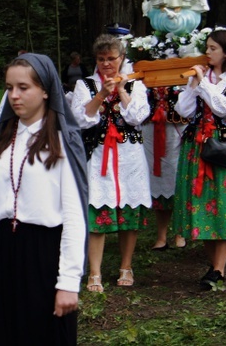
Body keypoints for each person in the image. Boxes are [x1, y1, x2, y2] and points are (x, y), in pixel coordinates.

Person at [0, 53, 87, 345]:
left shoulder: (62, 141)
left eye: (23, 87)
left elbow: (74, 217)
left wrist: (69, 283)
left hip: (44, 257)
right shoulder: (2, 140)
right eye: (9, 88)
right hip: (2, 254)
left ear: (45, 90)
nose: (14, 96)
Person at [173, 29, 226, 289]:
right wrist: (194, 86)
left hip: (224, 146)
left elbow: (223, 108)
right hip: (197, 145)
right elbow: (182, 110)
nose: (207, 52)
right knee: (204, 202)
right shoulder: (201, 76)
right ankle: (214, 267)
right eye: (207, 48)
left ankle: (218, 269)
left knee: (225, 203)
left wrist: (204, 84)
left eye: (212, 48)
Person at [72, 34, 151, 292]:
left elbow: (138, 117)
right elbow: (80, 119)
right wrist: (100, 96)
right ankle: (94, 272)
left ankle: (126, 266)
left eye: (111, 59)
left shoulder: (135, 84)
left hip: (129, 155)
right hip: (98, 156)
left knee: (129, 209)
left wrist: (119, 90)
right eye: (101, 59)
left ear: (122, 59)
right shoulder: (85, 85)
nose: (106, 64)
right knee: (98, 209)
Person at [141, 86, 187, 250]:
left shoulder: (185, 69)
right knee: (157, 178)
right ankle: (161, 236)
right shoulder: (144, 72)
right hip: (151, 129)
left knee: (178, 176)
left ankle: (180, 232)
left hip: (177, 129)